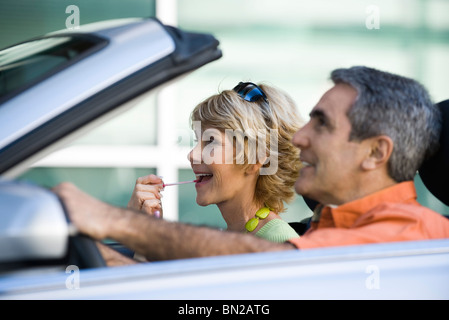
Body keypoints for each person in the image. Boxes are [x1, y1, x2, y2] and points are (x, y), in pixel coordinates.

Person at [53, 66, 449, 265]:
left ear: (376, 153)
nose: (297, 138)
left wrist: (119, 224)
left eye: (322, 123)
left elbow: (273, 262)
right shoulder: (330, 225)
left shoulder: (406, 238)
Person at [127, 82, 303, 243]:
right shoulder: (233, 236)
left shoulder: (279, 243)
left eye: (211, 141)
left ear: (255, 159)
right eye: (197, 140)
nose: (192, 155)